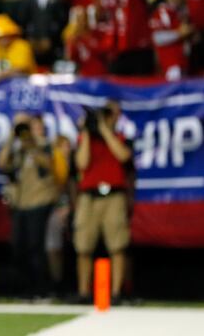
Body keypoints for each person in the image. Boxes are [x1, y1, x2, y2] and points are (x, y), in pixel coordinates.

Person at [74, 101, 132, 304]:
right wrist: (88, 132)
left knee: (117, 245)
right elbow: (81, 163)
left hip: (113, 197)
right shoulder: (85, 138)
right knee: (83, 246)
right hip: (89, 197)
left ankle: (116, 293)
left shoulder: (121, 137)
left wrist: (105, 130)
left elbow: (123, 156)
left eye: (111, 114)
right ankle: (83, 292)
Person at [0, 115, 57, 298]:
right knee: (18, 247)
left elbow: (50, 167)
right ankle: (24, 289)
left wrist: (32, 146)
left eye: (35, 128)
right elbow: (2, 163)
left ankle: (42, 289)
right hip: (20, 205)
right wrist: (11, 136)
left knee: (36, 248)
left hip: (39, 202)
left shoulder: (48, 146)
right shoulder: (19, 150)